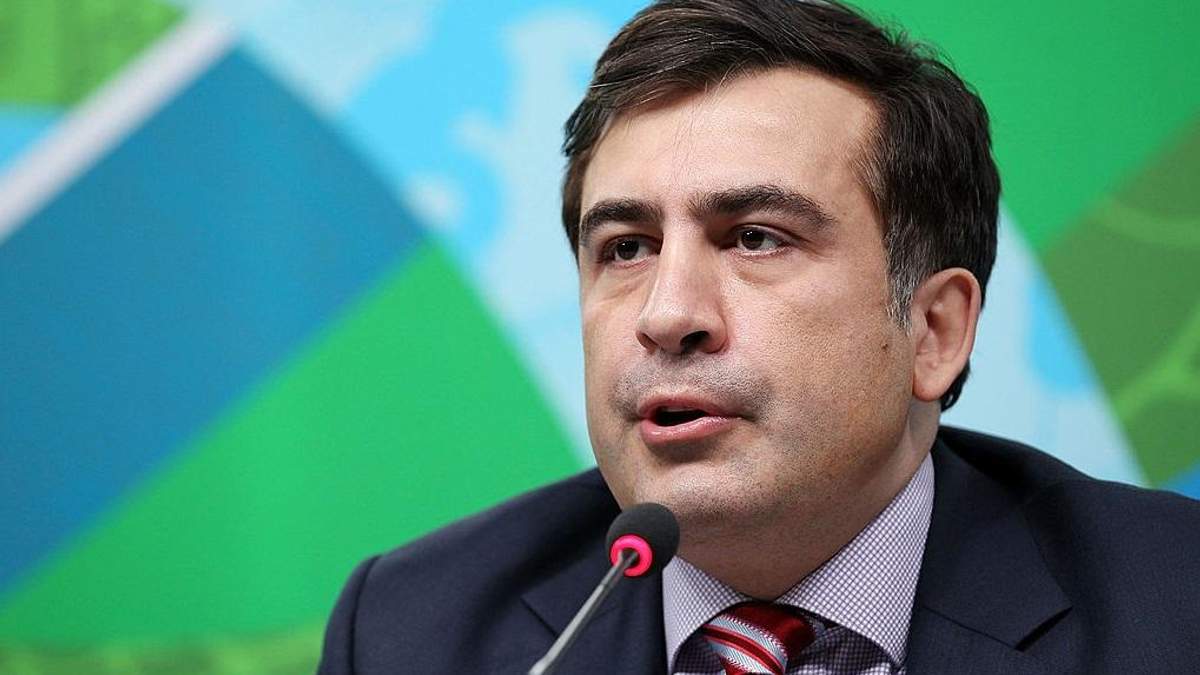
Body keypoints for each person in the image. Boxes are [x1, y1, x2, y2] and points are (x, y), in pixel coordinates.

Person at [318, 1, 1200, 673]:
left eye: (754, 237)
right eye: (626, 248)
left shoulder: (1174, 609)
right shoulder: (412, 632)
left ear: (935, 330)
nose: (667, 314)